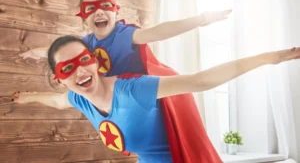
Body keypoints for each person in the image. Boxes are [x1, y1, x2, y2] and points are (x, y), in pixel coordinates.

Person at [18, 0, 231, 163]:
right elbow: (60, 55)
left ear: (115, 11)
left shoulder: (125, 35)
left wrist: (200, 20)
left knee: (177, 145)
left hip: (142, 97)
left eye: (105, 5)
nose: (99, 12)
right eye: (91, 8)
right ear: (84, 18)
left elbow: (159, 32)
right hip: (118, 105)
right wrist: (35, 53)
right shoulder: (86, 44)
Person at [13, 36, 300, 163]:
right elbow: (56, 102)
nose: (79, 71)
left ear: (95, 61)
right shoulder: (79, 99)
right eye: (67, 68)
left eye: (83, 60)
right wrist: (24, 98)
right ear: (59, 78)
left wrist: (266, 58)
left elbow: (200, 80)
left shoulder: (133, 89)